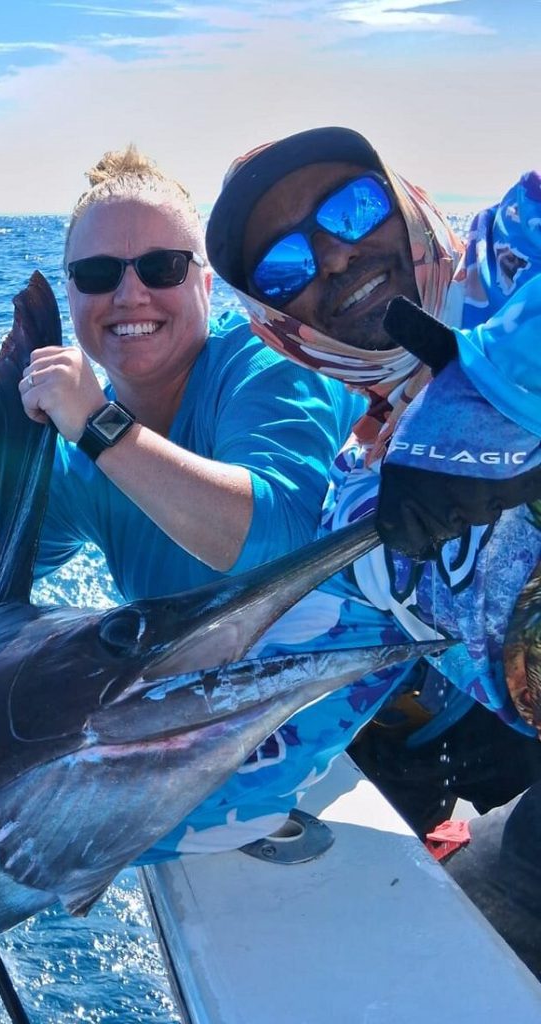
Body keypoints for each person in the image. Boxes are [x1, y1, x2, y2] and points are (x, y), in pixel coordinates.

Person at [196, 125, 541, 972]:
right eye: (284, 267)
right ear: (279, 324)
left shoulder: (511, 251)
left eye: (353, 209)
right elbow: (291, 718)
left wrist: (495, 386)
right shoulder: (357, 503)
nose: (336, 258)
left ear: (407, 201)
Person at [20, 145, 362, 608]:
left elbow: (282, 542)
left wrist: (100, 425)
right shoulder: (81, 460)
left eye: (163, 267)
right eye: (98, 273)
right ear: (71, 293)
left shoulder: (269, 359)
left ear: (205, 285)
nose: (130, 295)